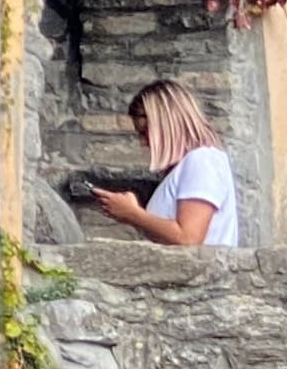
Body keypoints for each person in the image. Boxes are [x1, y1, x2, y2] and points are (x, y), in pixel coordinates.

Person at [89, 77, 240, 249]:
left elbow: (189, 238)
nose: (143, 142)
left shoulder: (201, 160)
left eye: (145, 132)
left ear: (165, 124)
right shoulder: (187, 165)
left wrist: (133, 214)